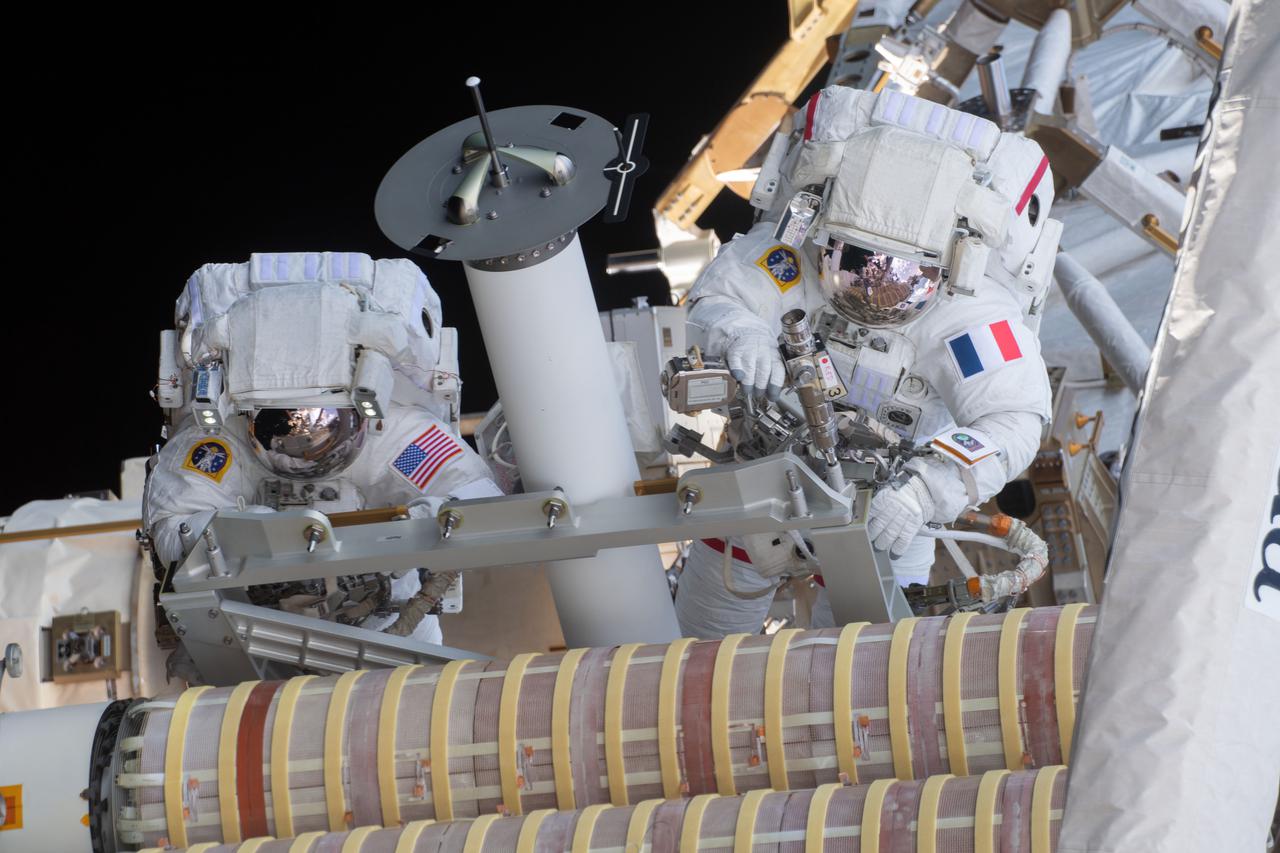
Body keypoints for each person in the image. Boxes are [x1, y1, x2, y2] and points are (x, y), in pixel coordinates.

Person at [674, 87, 1059, 638]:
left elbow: (1014, 419)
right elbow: (722, 295)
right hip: (764, 472)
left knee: (857, 662)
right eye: (856, 264)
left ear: (949, 265)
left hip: (893, 507)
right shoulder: (797, 253)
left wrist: (926, 490)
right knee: (702, 640)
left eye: (899, 276)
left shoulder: (968, 317)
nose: (873, 289)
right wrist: (742, 332)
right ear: (827, 236)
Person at [144, 251, 502, 647]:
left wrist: (420, 525)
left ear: (362, 403)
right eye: (280, 425)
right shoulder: (220, 444)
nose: (300, 443)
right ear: (247, 414)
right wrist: (251, 534)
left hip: (392, 624)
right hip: (255, 631)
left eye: (321, 422)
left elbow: (480, 501)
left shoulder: (398, 439)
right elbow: (172, 528)